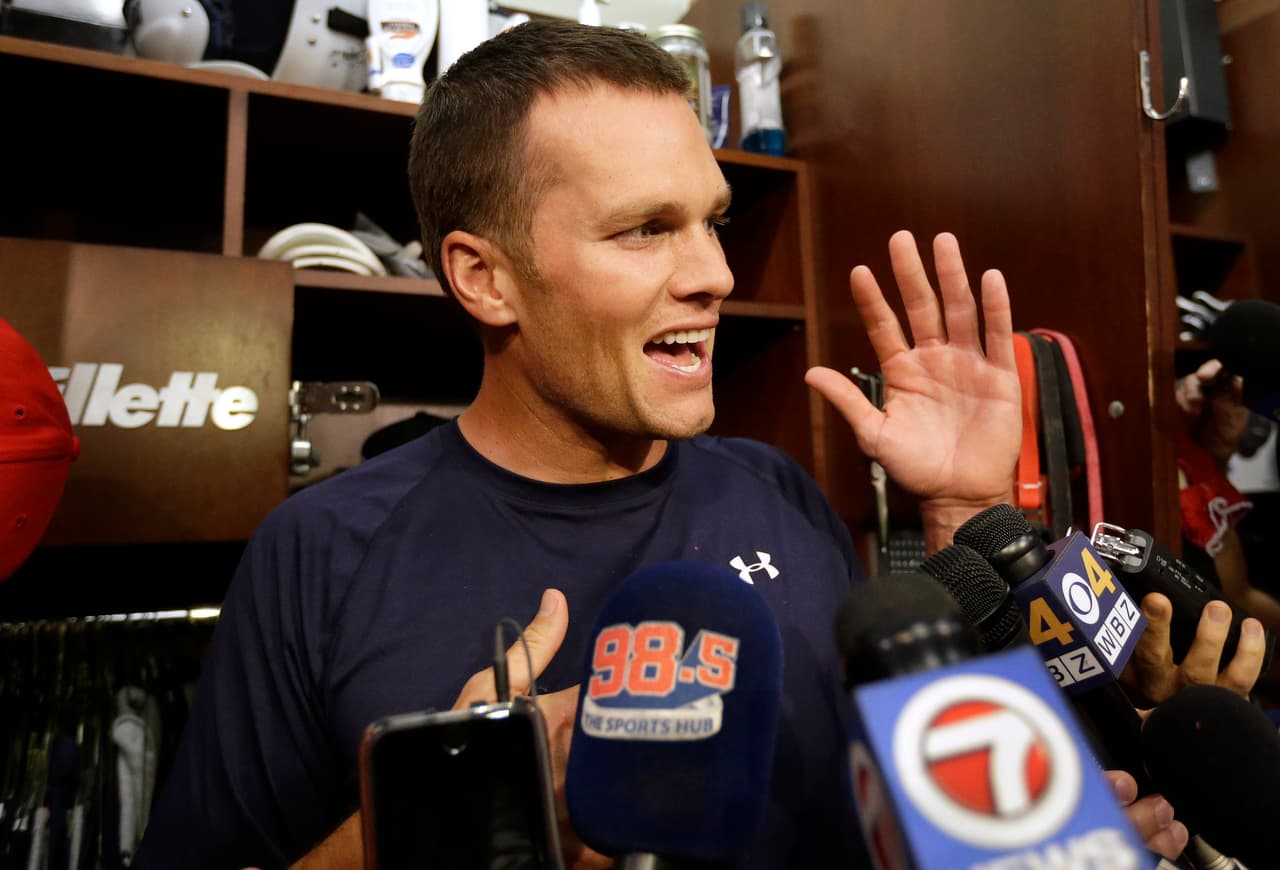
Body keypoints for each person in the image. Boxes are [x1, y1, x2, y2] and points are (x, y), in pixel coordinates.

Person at [135, 19, 1263, 869]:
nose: (715, 274)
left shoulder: (770, 488)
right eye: (644, 230)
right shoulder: (318, 553)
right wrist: (448, 809)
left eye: (711, 219)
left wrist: (966, 524)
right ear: (484, 277)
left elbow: (910, 806)